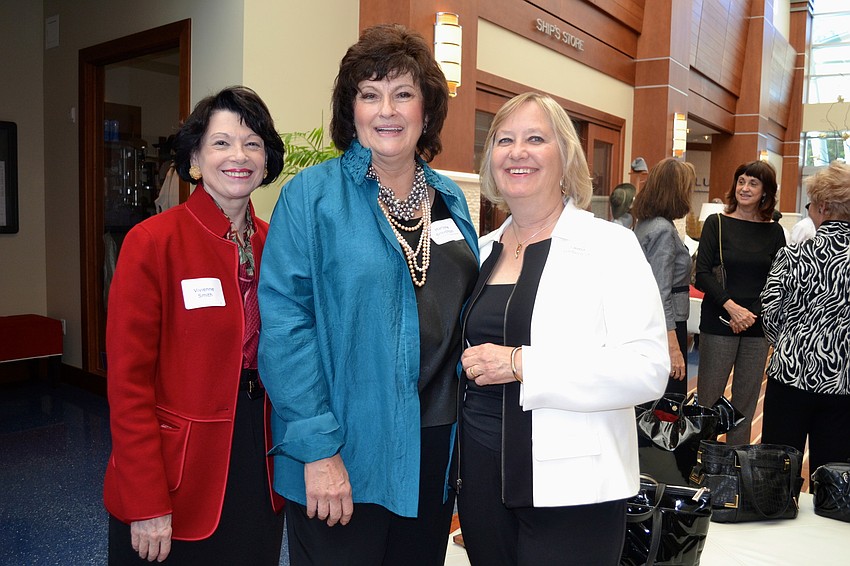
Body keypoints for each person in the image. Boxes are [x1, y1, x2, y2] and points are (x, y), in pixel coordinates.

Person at [257, 24, 479, 566]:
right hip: (346, 450)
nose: (388, 110)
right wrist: (318, 450)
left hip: (433, 448)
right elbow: (286, 328)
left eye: (403, 94)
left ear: (426, 109)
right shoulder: (311, 198)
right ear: (350, 109)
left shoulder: (451, 199)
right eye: (370, 94)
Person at [456, 92, 669, 566]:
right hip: (482, 482)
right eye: (504, 140)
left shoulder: (609, 245)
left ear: (566, 155)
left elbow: (648, 369)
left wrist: (520, 363)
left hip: (575, 487)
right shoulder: (480, 249)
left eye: (536, 138)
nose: (518, 152)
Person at [103, 86, 286, 564]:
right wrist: (145, 499)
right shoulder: (153, 242)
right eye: (221, 143)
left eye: (252, 143)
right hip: (176, 468)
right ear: (195, 159)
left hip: (259, 459)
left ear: (266, 161)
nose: (238, 156)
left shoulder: (279, 246)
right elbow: (128, 384)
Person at [760, 161, 850, 474]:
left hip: (790, 376)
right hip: (843, 383)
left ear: (824, 206)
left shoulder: (794, 255)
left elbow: (770, 317)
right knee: (837, 478)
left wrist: (793, 339)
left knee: (776, 476)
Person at [693, 160, 786, 445]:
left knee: (745, 404)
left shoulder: (774, 232)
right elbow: (702, 274)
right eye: (741, 181)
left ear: (766, 192)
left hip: (756, 329)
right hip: (719, 322)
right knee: (708, 400)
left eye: (753, 183)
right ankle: (700, 467)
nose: (745, 188)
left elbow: (779, 280)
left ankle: (736, 468)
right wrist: (732, 307)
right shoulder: (716, 223)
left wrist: (751, 314)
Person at [632, 158, 696, 395]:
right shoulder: (662, 230)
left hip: (653, 323)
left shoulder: (646, 224)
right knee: (666, 408)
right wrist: (673, 346)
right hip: (666, 326)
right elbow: (661, 292)